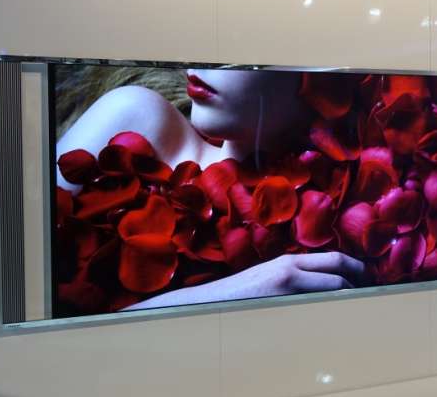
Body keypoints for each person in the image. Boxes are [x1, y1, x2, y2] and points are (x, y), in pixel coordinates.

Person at [56, 68, 368, 310]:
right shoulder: (137, 118)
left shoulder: (341, 220)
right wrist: (225, 296)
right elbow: (31, 332)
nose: (203, 59)